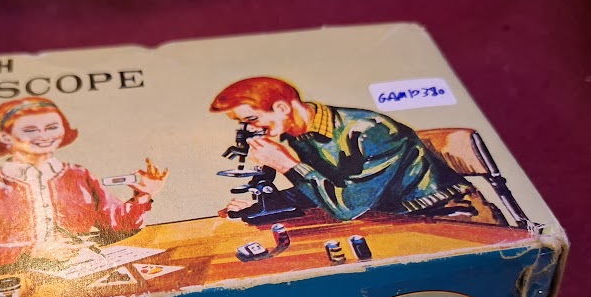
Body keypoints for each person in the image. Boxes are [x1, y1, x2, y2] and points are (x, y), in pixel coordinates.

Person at [209, 77, 504, 224]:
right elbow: (335, 187)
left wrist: (287, 165)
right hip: (386, 217)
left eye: (252, 119)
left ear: (282, 107)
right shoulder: (300, 134)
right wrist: (266, 203)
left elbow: (347, 206)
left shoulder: (368, 131)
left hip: (449, 217)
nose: (252, 129)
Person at [0, 97, 167, 271]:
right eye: (30, 129)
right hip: (4, 283)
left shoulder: (78, 176)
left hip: (81, 271)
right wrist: (30, 250)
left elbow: (117, 225)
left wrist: (142, 196)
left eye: (52, 127)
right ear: (5, 136)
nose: (44, 136)